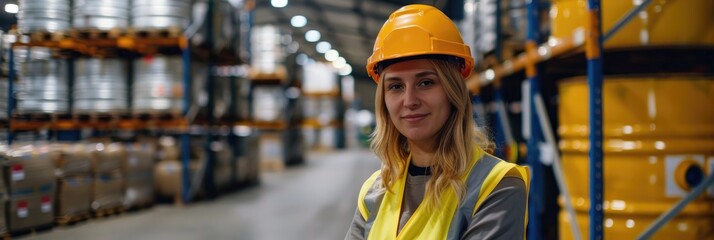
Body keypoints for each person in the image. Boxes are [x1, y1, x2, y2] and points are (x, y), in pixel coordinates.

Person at [345, 4, 529, 240]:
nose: (409, 101)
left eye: (426, 83)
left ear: (452, 91)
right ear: (384, 101)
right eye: (396, 86)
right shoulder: (375, 191)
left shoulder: (496, 186)